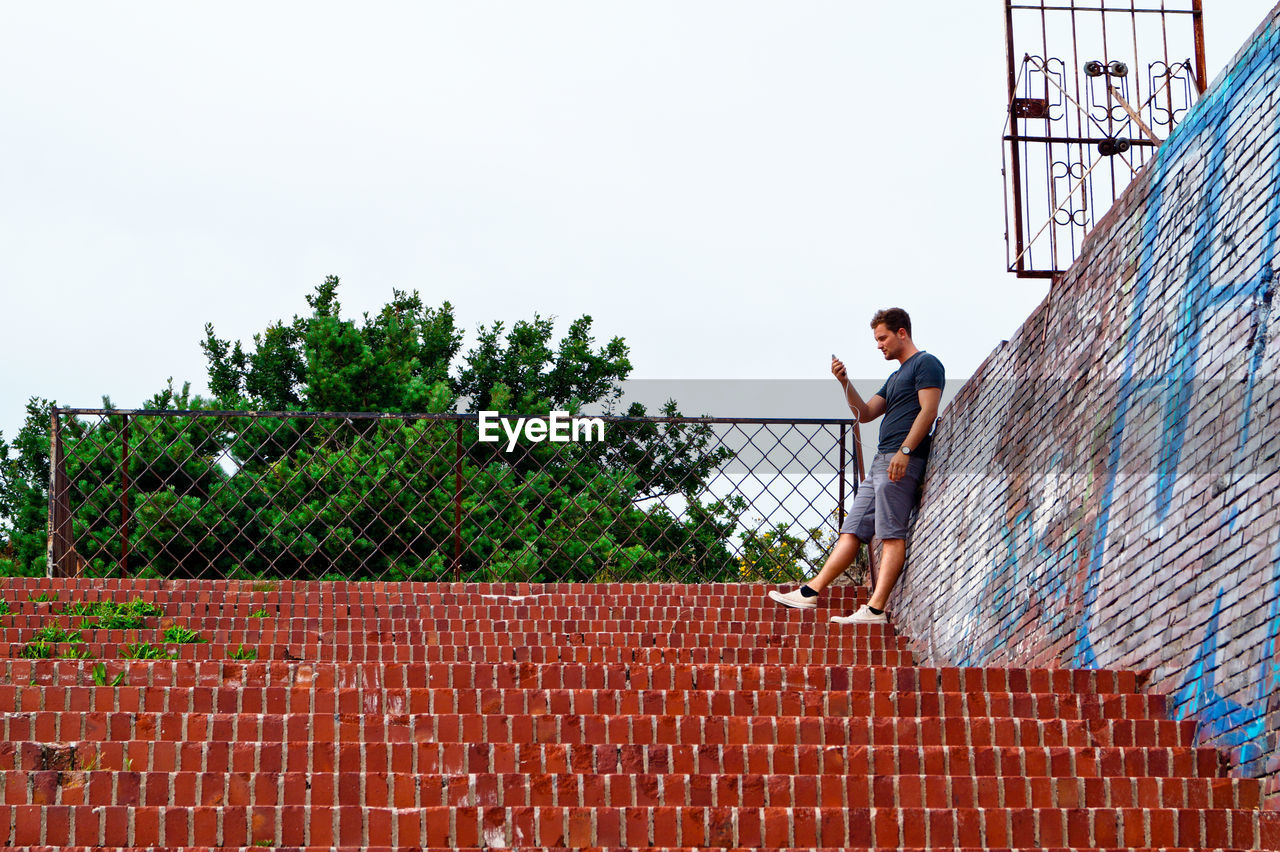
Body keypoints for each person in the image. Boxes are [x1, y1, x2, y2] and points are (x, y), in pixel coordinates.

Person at [769, 307, 944, 623]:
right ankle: (810, 593)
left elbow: (928, 411)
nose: (879, 345)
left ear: (901, 332)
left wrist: (905, 451)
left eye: (882, 338)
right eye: (877, 339)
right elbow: (864, 413)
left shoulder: (926, 364)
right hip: (881, 461)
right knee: (852, 530)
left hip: (899, 460)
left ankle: (875, 609)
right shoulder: (894, 377)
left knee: (891, 533)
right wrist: (844, 382)